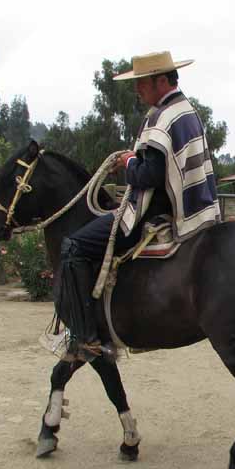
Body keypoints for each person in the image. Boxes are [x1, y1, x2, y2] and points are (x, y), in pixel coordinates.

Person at [57, 51, 220, 353]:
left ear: (160, 80)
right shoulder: (186, 111)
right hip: (195, 207)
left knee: (73, 247)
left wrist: (130, 161)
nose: (137, 90)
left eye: (142, 83)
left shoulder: (162, 117)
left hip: (150, 211)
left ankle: (86, 337)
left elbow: (150, 176)